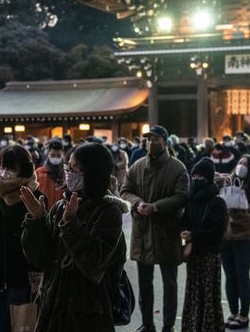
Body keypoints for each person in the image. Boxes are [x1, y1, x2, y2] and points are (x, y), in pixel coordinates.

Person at [21, 142, 129, 331]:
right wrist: (37, 220)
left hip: (87, 314)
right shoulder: (60, 206)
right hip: (52, 308)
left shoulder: (108, 212)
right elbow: (39, 257)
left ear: (93, 172)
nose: (68, 173)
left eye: (74, 168)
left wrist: (71, 223)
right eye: (67, 167)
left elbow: (93, 262)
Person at [121, 125, 188, 332]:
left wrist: (157, 207)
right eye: (148, 139)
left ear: (165, 142)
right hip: (142, 232)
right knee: (144, 284)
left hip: (166, 231)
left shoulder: (177, 168)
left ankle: (168, 325)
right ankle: (147, 323)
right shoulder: (137, 166)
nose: (151, 143)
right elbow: (125, 190)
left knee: (170, 284)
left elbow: (182, 196)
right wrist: (138, 202)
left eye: (155, 139)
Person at [0, 144, 44, 331]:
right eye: (3, 166)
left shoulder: (34, 197)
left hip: (21, 278)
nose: (5, 172)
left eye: (11, 168)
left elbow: (41, 239)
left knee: (14, 325)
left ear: (24, 169)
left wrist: (37, 273)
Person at [217, 155, 250, 329]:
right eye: (239, 163)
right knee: (230, 276)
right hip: (226, 237)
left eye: (245, 164)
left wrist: (234, 211)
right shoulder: (230, 180)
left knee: (242, 275)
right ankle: (233, 312)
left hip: (246, 238)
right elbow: (218, 177)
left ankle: (243, 315)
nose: (241, 167)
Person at [181, 158, 227, 332]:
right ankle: (192, 326)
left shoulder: (217, 202)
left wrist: (194, 235)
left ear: (207, 178)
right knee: (193, 293)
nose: (196, 179)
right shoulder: (191, 200)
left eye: (200, 176)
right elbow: (185, 219)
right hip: (194, 255)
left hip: (208, 255)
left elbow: (217, 232)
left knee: (207, 295)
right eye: (194, 175)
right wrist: (184, 230)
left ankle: (208, 327)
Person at [36, 139, 65, 209]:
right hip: (43, 212)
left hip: (61, 212)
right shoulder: (39, 173)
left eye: (58, 155)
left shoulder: (66, 174)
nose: (55, 158)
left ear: (63, 154)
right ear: (48, 154)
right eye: (52, 155)